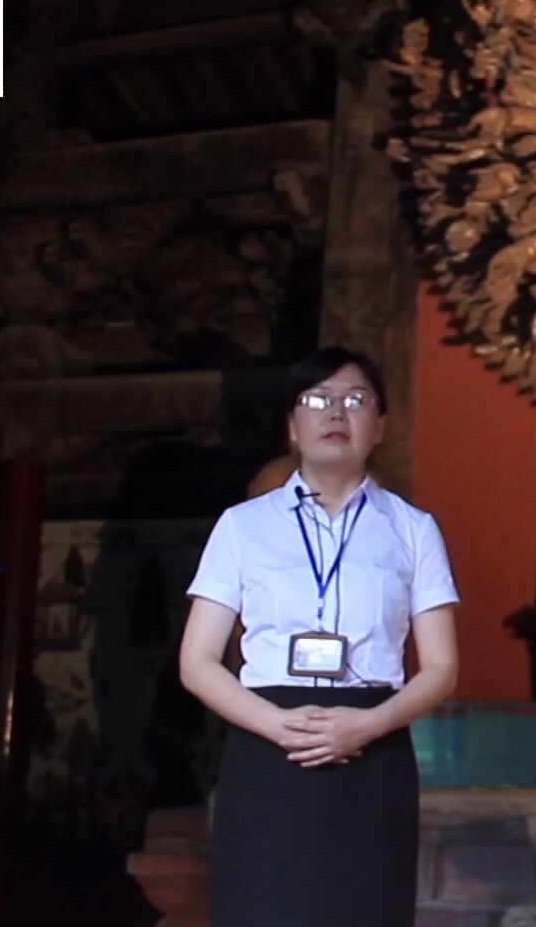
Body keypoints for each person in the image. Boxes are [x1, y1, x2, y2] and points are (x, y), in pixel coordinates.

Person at [178, 346, 459, 927]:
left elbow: (440, 668)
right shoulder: (242, 527)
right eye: (318, 400)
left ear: (378, 426)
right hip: (267, 746)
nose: (337, 412)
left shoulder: (412, 529)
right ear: (291, 425)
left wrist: (369, 724)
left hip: (371, 746)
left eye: (356, 401)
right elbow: (198, 661)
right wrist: (273, 724)